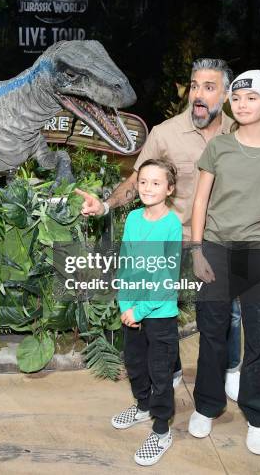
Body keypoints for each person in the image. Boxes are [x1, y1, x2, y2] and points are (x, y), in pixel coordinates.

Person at [76, 58, 242, 398]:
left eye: (208, 88)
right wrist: (105, 204)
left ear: (225, 94)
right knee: (166, 311)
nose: (198, 94)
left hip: (224, 241)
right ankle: (174, 367)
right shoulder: (165, 133)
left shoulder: (240, 134)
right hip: (176, 241)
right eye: (194, 86)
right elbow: (138, 180)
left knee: (232, 312)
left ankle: (231, 368)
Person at [188, 70, 260, 455]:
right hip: (217, 249)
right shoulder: (218, 148)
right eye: (237, 98)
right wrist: (197, 250)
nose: (242, 104)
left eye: (252, 98)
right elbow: (200, 201)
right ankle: (207, 405)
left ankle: (257, 416)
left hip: (258, 254)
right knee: (212, 332)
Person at [111, 159, 182, 466]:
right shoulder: (133, 219)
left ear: (169, 189)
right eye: (143, 181)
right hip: (133, 311)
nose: (148, 188)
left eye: (156, 183)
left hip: (159, 313)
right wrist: (125, 304)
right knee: (135, 363)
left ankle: (162, 429)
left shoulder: (172, 224)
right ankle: (142, 406)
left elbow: (167, 278)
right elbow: (126, 263)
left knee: (160, 373)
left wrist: (140, 309)